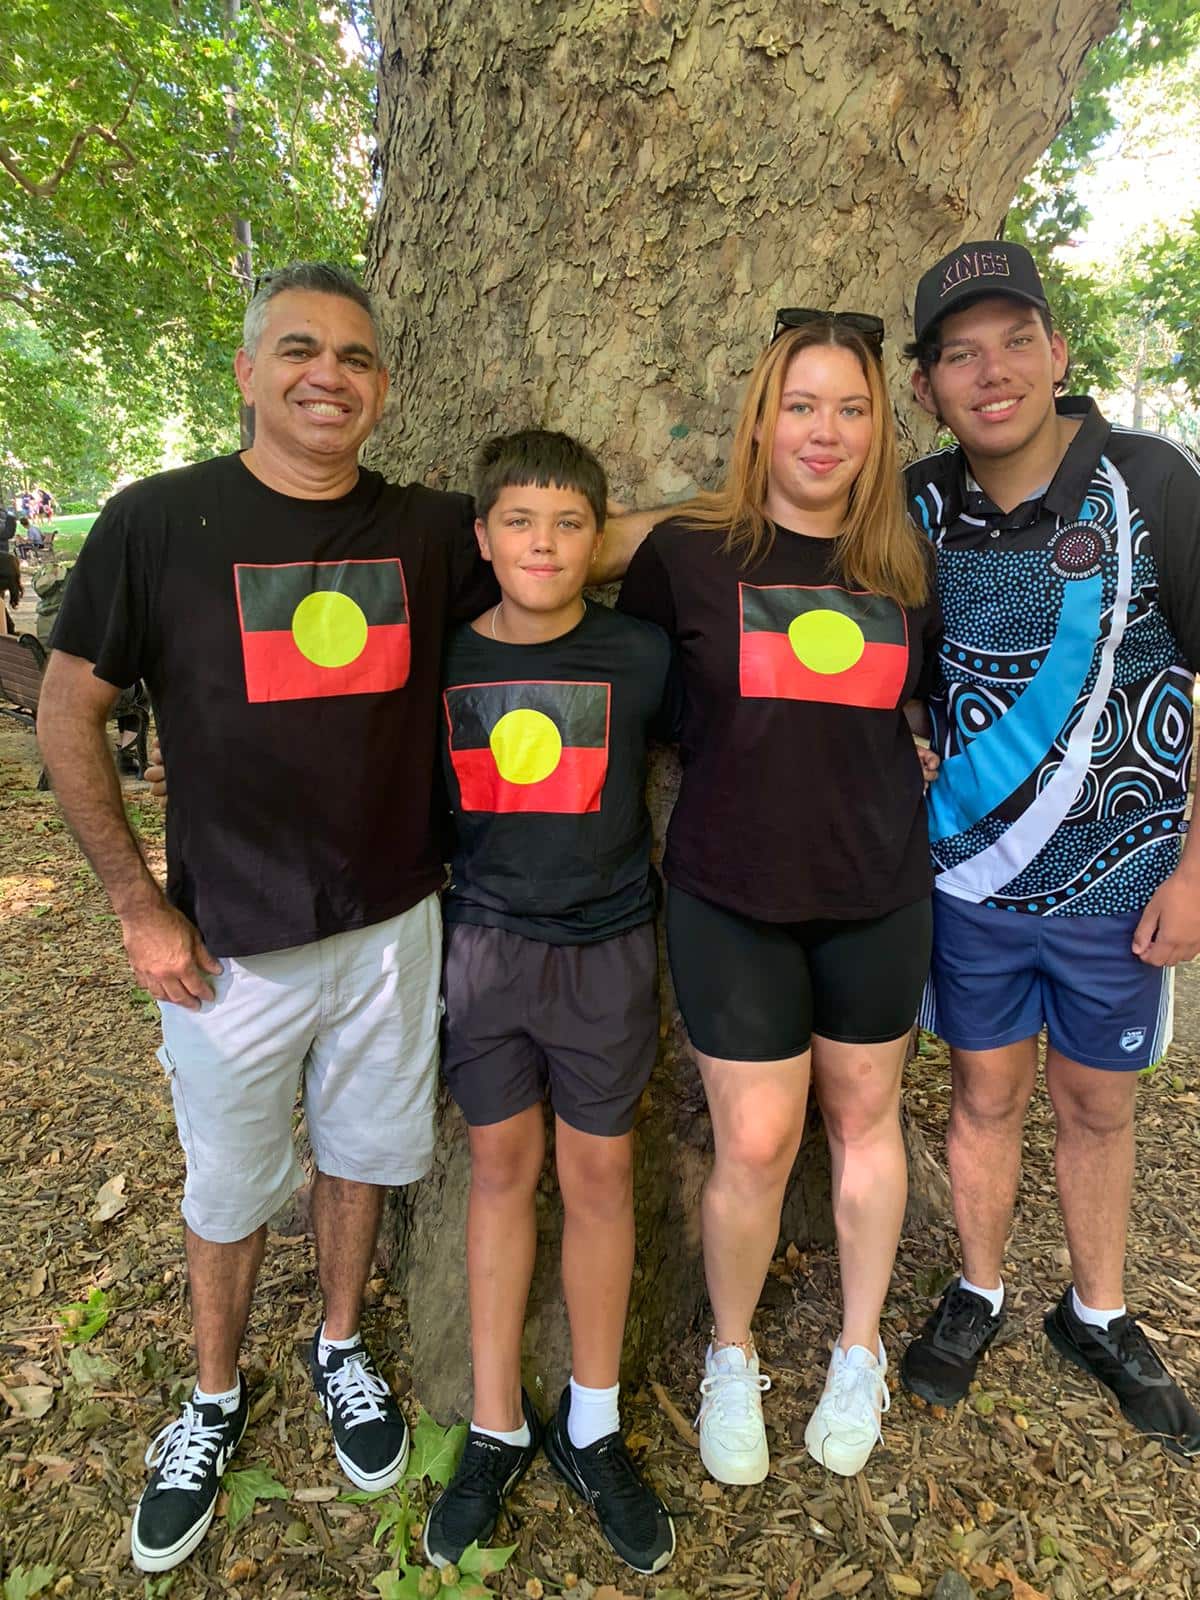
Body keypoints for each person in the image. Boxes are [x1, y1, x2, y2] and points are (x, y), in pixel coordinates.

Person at [36, 262, 499, 1573]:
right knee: (233, 1181)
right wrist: (134, 902)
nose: (327, 375)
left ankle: (340, 1346)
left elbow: (573, 533)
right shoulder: (158, 521)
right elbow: (69, 709)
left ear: (382, 388)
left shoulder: (428, 530)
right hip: (224, 945)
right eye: (298, 349)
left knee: (361, 1152)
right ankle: (213, 1395)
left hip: (392, 924)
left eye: (354, 357)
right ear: (246, 372)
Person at [615, 312, 942, 1481]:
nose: (825, 431)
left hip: (877, 890)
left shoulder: (907, 563)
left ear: (878, 427)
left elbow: (929, 698)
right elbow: (638, 698)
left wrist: (920, 739)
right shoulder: (687, 555)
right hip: (731, 892)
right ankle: (731, 1351)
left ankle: (859, 1349)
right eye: (802, 405)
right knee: (754, 1140)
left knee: (866, 1119)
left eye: (852, 409)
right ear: (762, 418)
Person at [898, 240, 1200, 1457]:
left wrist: (1197, 869)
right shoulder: (916, 503)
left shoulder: (1151, 479)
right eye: (961, 354)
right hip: (969, 883)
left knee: (1097, 1103)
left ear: (1058, 351)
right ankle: (977, 1288)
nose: (994, 372)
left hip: (1127, 884)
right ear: (926, 386)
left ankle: (1099, 1312)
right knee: (983, 1094)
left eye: (1017, 340)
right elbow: (883, 660)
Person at [422, 429, 676, 1575]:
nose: (544, 543)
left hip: (608, 955)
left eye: (571, 523)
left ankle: (594, 1422)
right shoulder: (443, 658)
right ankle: (495, 1425)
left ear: (599, 539)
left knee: (601, 1173)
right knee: (499, 1168)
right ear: (483, 538)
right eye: (520, 522)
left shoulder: (641, 655)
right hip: (484, 949)